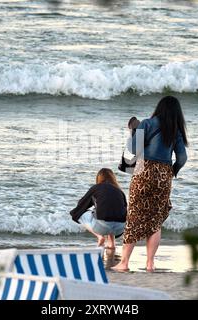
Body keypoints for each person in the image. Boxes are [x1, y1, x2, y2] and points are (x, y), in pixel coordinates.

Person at [112, 96, 188, 272]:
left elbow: (131, 151)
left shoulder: (146, 124)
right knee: (155, 220)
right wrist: (173, 170)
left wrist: (134, 133)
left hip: (143, 171)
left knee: (134, 215)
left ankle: (124, 263)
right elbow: (182, 158)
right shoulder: (175, 131)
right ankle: (150, 263)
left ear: (159, 108)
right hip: (164, 175)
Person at [70, 168, 127, 248]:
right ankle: (112, 244)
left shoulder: (96, 188)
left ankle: (99, 237)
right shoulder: (119, 191)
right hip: (120, 228)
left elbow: (81, 205)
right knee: (111, 211)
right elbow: (124, 210)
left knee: (79, 214)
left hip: (102, 227)